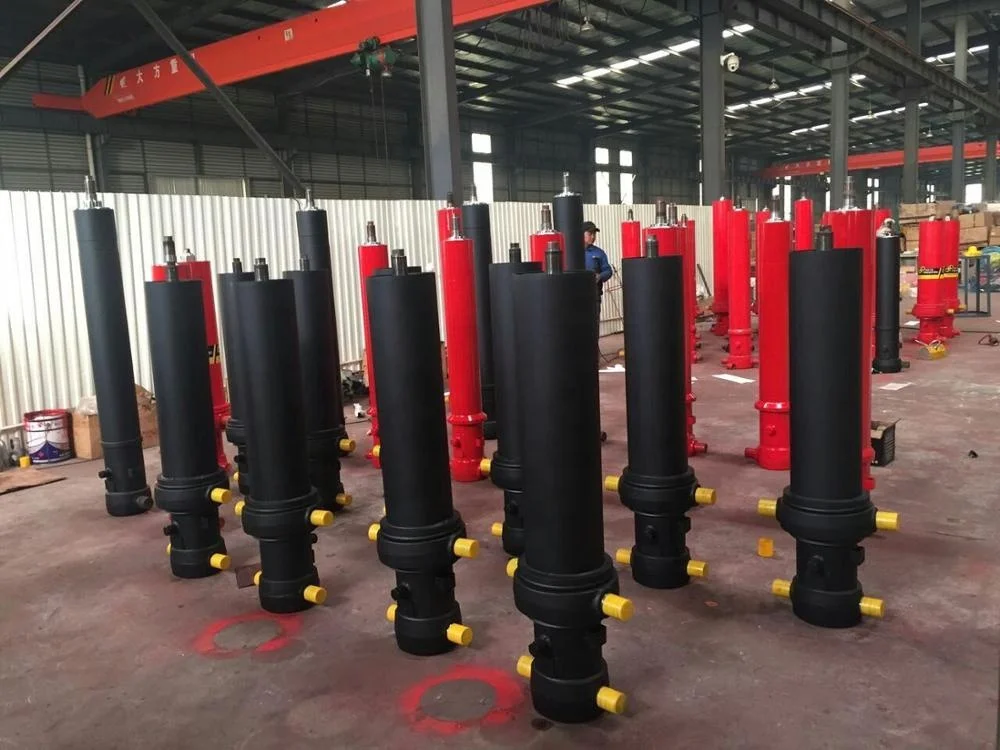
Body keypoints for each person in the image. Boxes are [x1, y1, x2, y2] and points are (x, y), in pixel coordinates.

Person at [583, 221, 613, 294]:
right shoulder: (572, 252)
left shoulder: (599, 253)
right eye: (590, 234)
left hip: (595, 294)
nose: (593, 237)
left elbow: (608, 271)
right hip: (576, 293)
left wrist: (600, 276)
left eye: (594, 234)